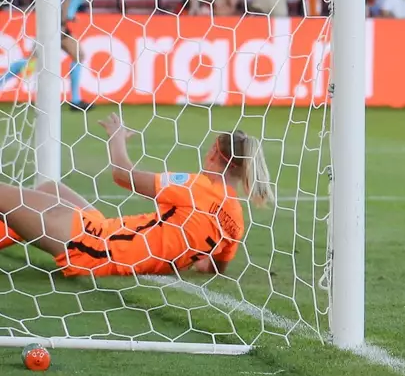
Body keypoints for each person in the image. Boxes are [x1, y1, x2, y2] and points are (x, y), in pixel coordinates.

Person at [0, 113, 271, 277]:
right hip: (106, 233)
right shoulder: (236, 221)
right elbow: (213, 268)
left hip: (94, 246)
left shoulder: (195, 186)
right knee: (50, 189)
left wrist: (116, 137)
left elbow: (122, 174)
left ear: (214, 152)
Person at [1, 0, 95, 110]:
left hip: (54, 20)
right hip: (57, 23)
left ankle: (76, 100)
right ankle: (76, 101)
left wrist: (70, 17)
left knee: (35, 60)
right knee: (76, 56)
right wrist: (64, 21)